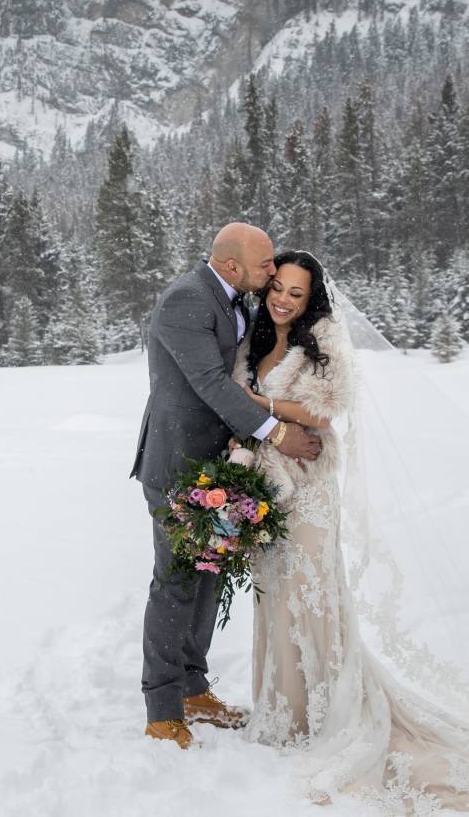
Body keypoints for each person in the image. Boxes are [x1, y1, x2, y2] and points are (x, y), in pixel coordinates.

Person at [231, 249, 469, 811]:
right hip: (268, 485)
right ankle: (285, 712)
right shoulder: (253, 338)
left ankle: (326, 713)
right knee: (275, 594)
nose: (284, 300)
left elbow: (327, 409)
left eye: (297, 293)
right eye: (279, 289)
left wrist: (261, 404)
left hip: (309, 487)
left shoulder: (322, 338)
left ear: (311, 296)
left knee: (311, 595)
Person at [130, 223, 325, 750]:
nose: (272, 273)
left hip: (217, 466)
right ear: (234, 265)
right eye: (265, 266)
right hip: (176, 465)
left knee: (207, 576)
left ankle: (194, 688)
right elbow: (211, 384)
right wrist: (278, 432)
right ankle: (162, 707)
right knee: (174, 583)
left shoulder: (235, 298)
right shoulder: (186, 300)